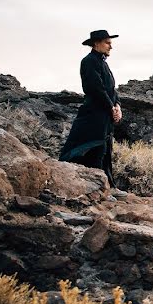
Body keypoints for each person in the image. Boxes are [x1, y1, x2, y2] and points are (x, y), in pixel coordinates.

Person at [59, 29, 123, 186]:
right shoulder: (89, 61)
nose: (111, 47)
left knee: (104, 151)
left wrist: (118, 106)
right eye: (107, 43)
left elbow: (111, 89)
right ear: (96, 43)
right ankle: (90, 186)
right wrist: (111, 107)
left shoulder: (103, 63)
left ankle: (106, 187)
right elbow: (95, 88)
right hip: (93, 114)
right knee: (90, 148)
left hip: (104, 116)